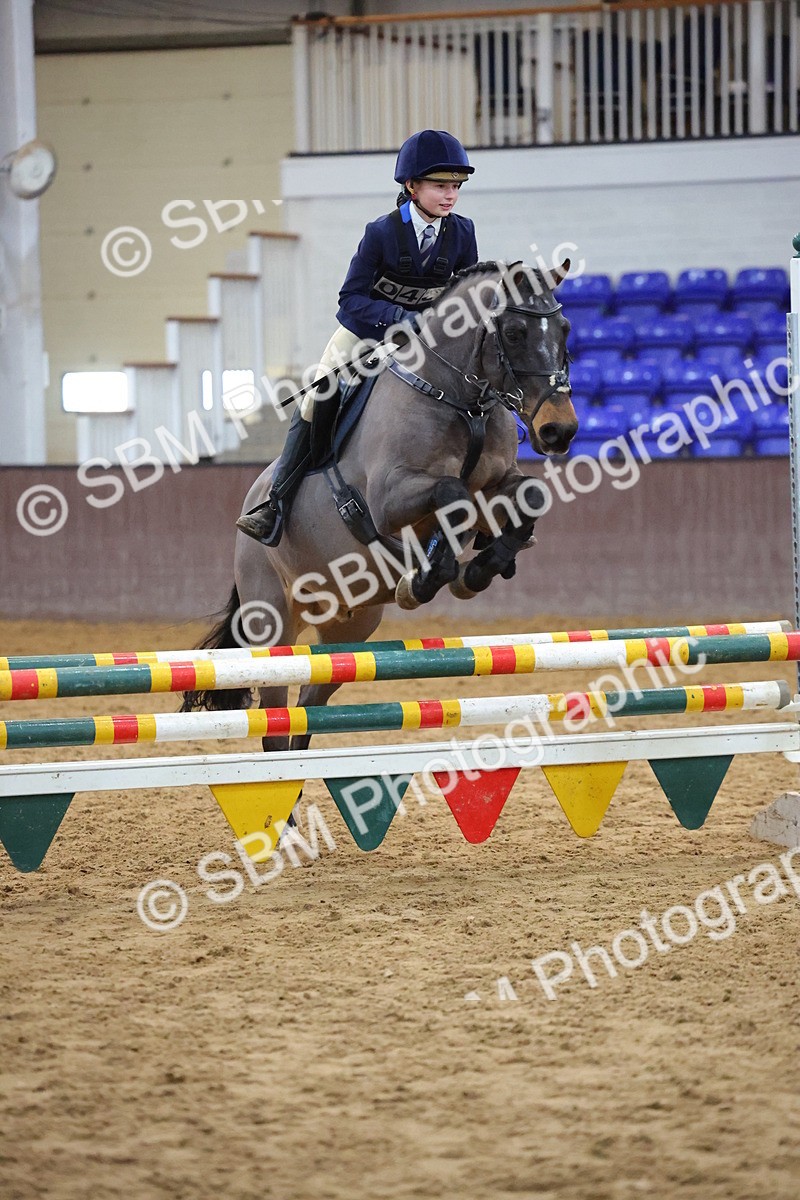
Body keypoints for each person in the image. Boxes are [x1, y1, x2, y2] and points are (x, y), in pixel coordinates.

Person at [236, 128, 479, 546]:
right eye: (440, 185)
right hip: (365, 336)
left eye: (455, 186)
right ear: (411, 186)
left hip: (426, 343)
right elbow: (350, 299)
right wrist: (400, 318)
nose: (450, 195)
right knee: (320, 395)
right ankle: (275, 503)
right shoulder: (382, 233)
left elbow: (463, 294)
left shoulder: (462, 232)